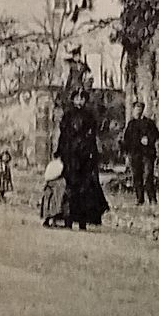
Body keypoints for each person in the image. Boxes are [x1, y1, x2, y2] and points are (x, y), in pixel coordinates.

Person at [54, 90, 108, 230]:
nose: (79, 101)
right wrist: (60, 152)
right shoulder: (68, 115)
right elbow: (63, 136)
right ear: (73, 100)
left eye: (82, 98)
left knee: (84, 190)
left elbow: (92, 136)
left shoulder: (89, 115)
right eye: (77, 98)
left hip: (84, 157)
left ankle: (83, 221)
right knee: (69, 189)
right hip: (70, 157)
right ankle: (68, 220)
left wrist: (92, 154)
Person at [120, 101, 159, 204]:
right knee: (137, 177)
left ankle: (152, 198)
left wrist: (149, 139)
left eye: (140, 108)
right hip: (135, 154)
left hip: (147, 154)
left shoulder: (149, 123)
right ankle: (140, 199)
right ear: (133, 110)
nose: (138, 111)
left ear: (143, 110)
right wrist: (125, 151)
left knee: (148, 176)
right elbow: (127, 140)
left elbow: (156, 135)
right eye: (136, 108)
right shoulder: (131, 124)